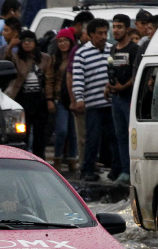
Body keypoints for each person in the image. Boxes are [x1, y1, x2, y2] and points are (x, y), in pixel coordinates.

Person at [73, 18, 121, 181]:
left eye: (105, 33)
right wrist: (79, 99)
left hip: (111, 103)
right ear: (91, 34)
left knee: (114, 137)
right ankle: (87, 169)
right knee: (92, 138)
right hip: (93, 104)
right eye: (99, 33)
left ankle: (117, 169)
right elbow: (78, 78)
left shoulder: (112, 50)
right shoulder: (82, 53)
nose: (103, 36)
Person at [4, 30, 53, 159]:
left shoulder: (45, 58)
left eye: (29, 41)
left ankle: (40, 159)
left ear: (35, 43)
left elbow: (49, 81)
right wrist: (10, 46)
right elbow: (6, 61)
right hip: (22, 99)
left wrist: (49, 99)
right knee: (22, 134)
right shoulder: (17, 57)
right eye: (24, 41)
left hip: (39, 100)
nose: (26, 44)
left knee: (40, 134)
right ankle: (23, 159)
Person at [106, 14, 139, 185]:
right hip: (116, 99)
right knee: (119, 135)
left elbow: (137, 76)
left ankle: (133, 171)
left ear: (127, 29)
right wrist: (108, 87)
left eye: (119, 27)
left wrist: (123, 87)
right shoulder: (113, 49)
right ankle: (124, 170)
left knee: (131, 135)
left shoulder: (134, 49)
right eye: (114, 26)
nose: (116, 30)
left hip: (128, 98)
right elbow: (111, 71)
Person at [64, 11, 94, 168]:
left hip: (98, 102)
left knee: (95, 135)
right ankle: (84, 164)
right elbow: (70, 77)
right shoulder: (77, 51)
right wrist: (74, 100)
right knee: (82, 136)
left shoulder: (105, 49)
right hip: (82, 101)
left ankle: (93, 162)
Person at [50, 27, 78, 173]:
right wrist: (50, 98)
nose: (62, 44)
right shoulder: (54, 59)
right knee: (61, 130)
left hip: (74, 98)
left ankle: (73, 160)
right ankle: (57, 159)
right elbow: (50, 79)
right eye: (60, 41)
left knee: (73, 132)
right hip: (59, 99)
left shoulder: (75, 57)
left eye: (65, 40)